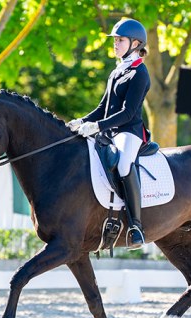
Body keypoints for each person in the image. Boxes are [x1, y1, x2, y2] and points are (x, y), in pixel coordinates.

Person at [67, 18, 151, 249]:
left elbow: (127, 113)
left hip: (129, 132)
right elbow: (101, 108)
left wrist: (97, 127)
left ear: (135, 43)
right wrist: (81, 121)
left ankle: (136, 226)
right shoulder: (117, 71)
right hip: (109, 131)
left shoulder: (139, 73)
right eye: (115, 40)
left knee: (124, 165)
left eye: (120, 40)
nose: (115, 44)